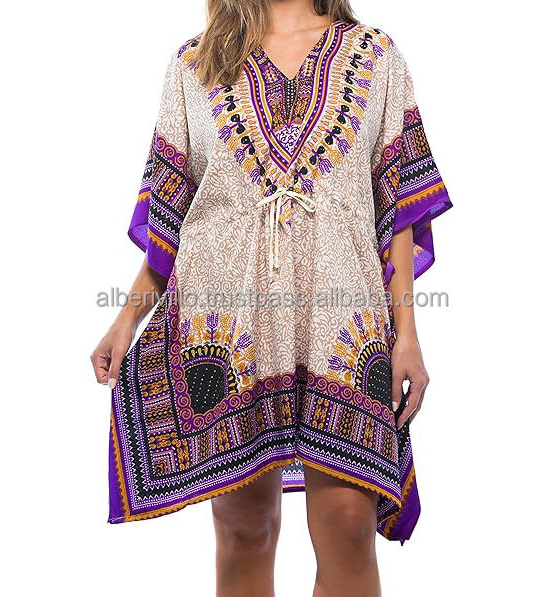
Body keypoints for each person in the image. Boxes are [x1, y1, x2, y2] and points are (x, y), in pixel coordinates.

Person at [90, 1, 452, 595]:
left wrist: (408, 336)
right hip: (227, 331)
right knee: (244, 525)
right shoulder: (197, 63)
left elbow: (400, 209)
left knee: (348, 522)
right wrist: (126, 320)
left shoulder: (378, 56)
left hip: (345, 327)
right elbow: (170, 220)